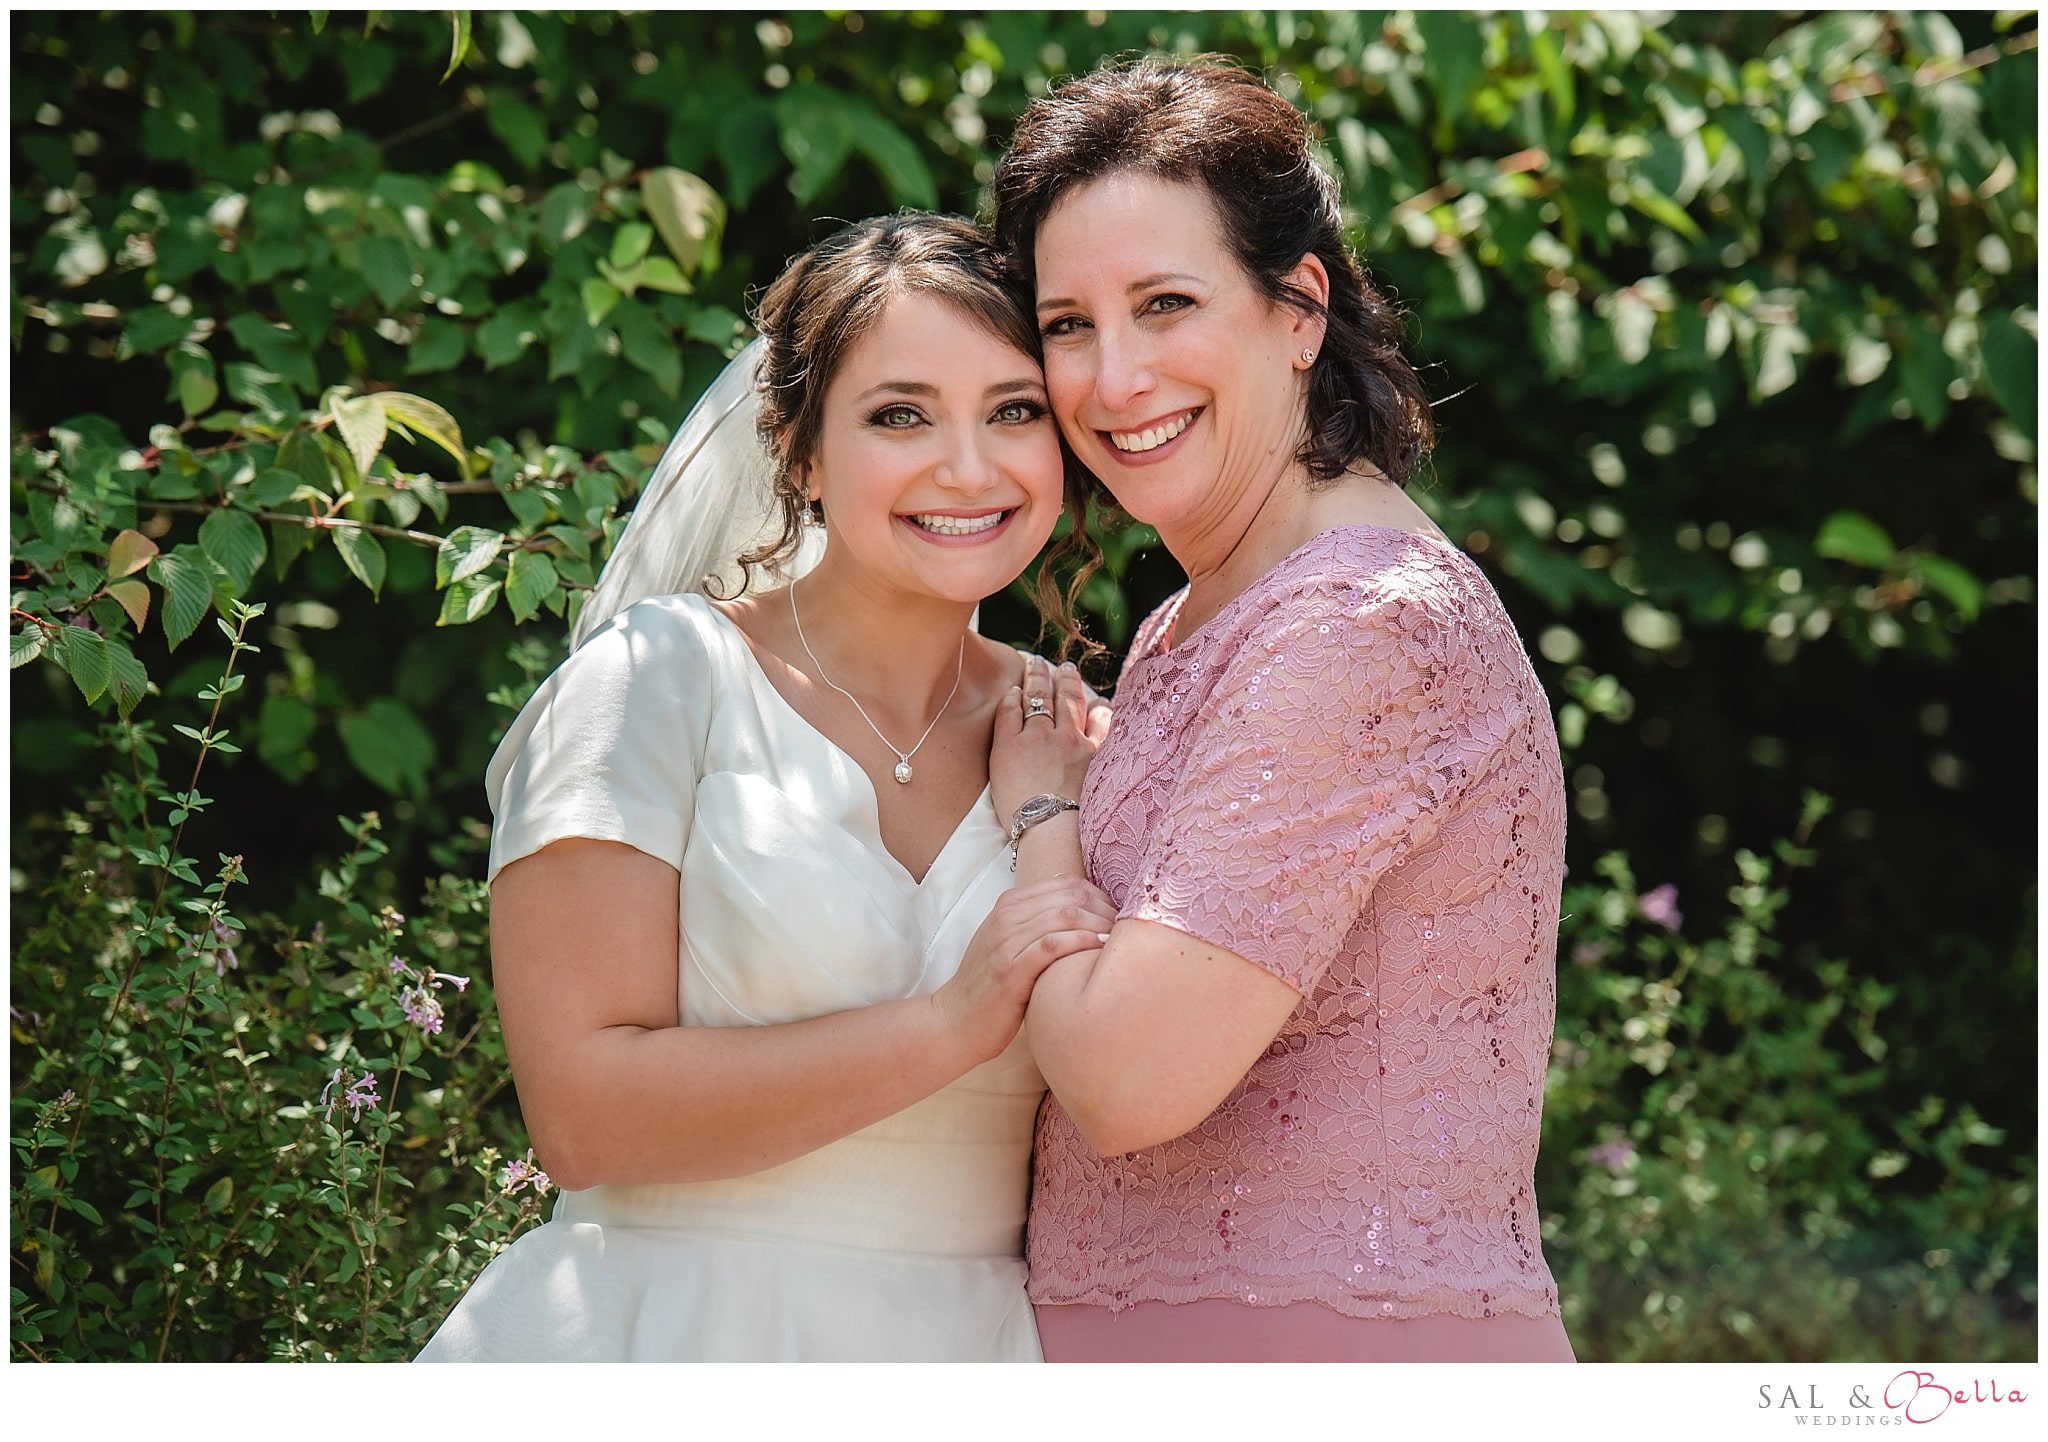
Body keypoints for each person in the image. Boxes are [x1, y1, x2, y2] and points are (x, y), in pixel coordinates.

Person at [416, 213, 1115, 1362]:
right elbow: (581, 1114)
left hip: (972, 1356)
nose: (969, 467)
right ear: (795, 447)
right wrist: (947, 1022)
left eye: (1013, 410)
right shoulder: (657, 683)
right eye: (900, 414)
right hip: (660, 1335)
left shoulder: (1074, 733)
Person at [988, 57, 1577, 1362]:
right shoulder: (1192, 621)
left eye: (1165, 304)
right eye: (1069, 323)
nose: (1113, 376)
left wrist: (1038, 814)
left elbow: (1131, 1080)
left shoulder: (1361, 624)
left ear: (1298, 307)